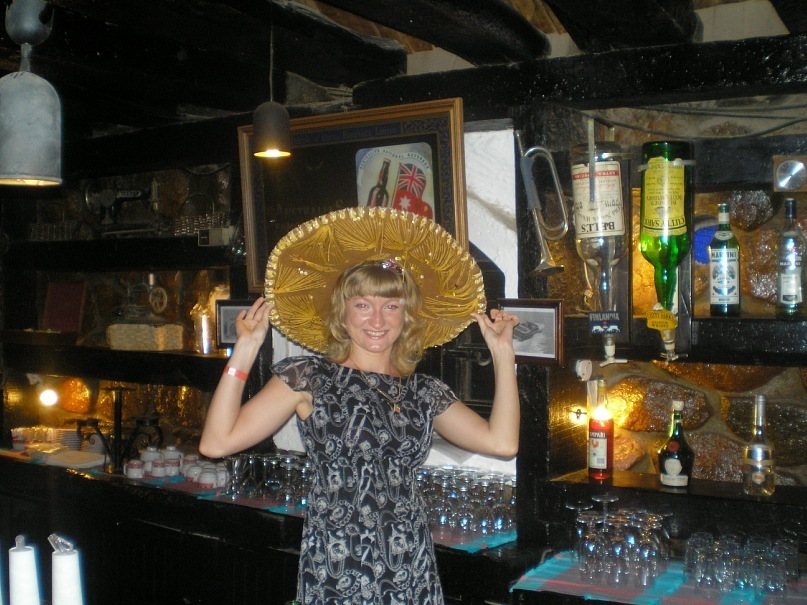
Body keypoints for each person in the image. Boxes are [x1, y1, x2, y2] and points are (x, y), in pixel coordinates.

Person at [200, 207, 520, 604]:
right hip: (337, 565)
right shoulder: (309, 378)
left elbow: (503, 443)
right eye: (363, 305)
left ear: (406, 316)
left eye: (392, 305)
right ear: (343, 312)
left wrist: (503, 355)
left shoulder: (423, 392)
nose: (378, 320)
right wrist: (246, 349)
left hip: (410, 565)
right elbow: (216, 443)